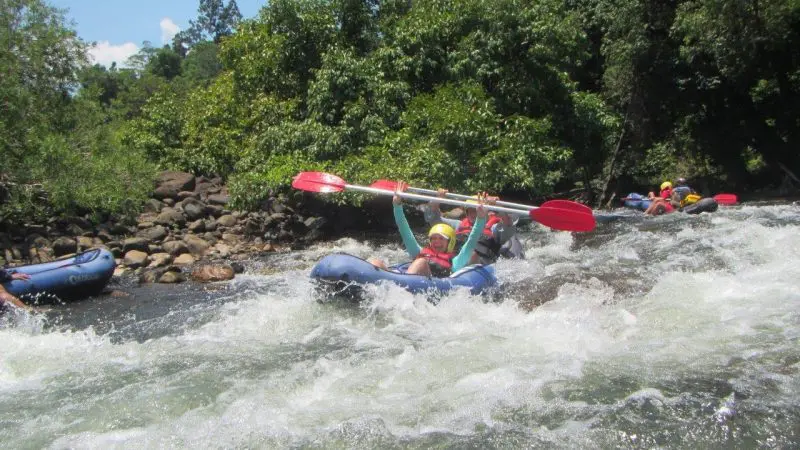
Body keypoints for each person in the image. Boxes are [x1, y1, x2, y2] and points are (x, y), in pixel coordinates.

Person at [369, 183, 489, 277]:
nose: (436, 241)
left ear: (450, 242)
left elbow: (472, 240)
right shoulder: (418, 251)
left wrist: (481, 218)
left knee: (420, 263)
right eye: (433, 238)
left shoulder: (457, 261)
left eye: (441, 239)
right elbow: (404, 229)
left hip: (426, 283)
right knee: (375, 262)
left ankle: (404, 283)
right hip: (407, 276)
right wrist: (397, 205)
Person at [424, 189, 524, 264]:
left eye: (476, 211)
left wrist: (498, 207)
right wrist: (437, 199)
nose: (473, 214)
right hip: (457, 260)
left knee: (472, 255)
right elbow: (434, 220)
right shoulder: (458, 225)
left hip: (481, 262)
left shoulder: (494, 228)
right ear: (466, 213)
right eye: (470, 211)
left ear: (485, 212)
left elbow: (508, 225)